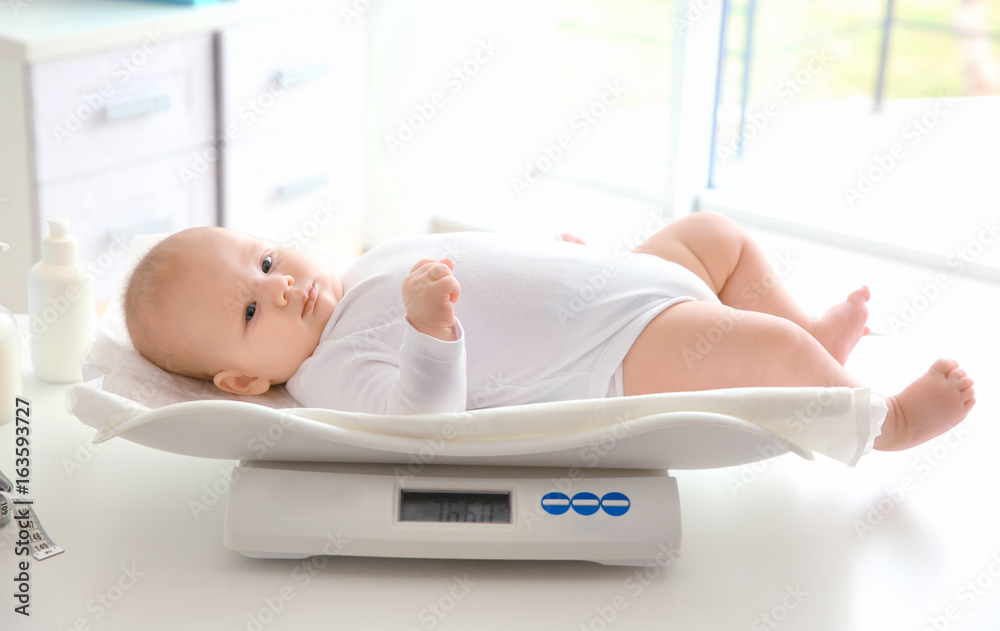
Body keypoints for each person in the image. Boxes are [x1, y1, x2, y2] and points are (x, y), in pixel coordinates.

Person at [123, 212, 975, 453]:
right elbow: (423, 422)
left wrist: (553, 251)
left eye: (264, 260)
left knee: (716, 236)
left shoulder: (374, 257)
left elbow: (490, 263)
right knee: (770, 354)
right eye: (246, 311)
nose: (277, 290)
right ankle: (883, 420)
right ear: (242, 382)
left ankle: (804, 324)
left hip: (625, 275)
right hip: (621, 345)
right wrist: (428, 329)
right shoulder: (329, 372)